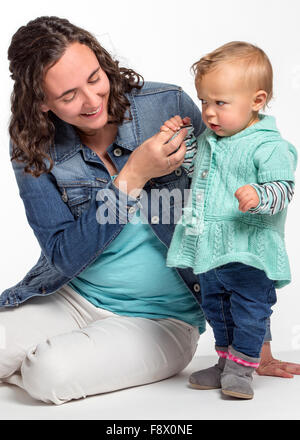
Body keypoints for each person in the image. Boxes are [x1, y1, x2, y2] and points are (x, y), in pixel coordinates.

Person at [0, 19, 298, 406]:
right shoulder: (31, 142)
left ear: (103, 64)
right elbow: (63, 254)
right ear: (41, 101)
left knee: (49, 374)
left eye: (95, 78)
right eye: (69, 95)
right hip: (71, 297)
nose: (92, 100)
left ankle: (50, 359)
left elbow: (238, 215)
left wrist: (260, 339)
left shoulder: (167, 105)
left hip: (161, 320)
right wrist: (133, 176)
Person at [163, 42, 298, 399]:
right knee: (216, 307)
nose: (209, 112)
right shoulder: (211, 138)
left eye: (220, 103)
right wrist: (184, 141)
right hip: (208, 249)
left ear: (257, 101)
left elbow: (283, 188)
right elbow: (196, 170)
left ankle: (243, 366)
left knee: (249, 309)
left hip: (247, 251)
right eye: (204, 101)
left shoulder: (269, 145)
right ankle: (225, 360)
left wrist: (259, 194)